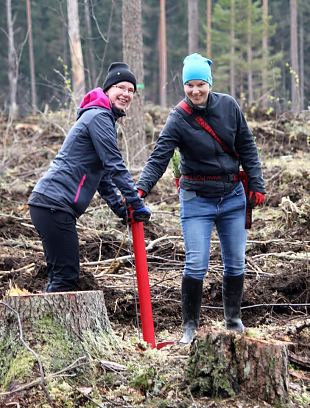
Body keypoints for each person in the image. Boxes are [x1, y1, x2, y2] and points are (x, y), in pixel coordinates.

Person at [137, 53, 266, 344]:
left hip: (233, 197)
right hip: (197, 200)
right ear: (184, 86)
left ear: (209, 83)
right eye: (189, 85)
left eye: (200, 84)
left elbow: (247, 146)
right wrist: (141, 189)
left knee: (236, 263)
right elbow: (160, 157)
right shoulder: (178, 118)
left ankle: (233, 321)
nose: (195, 91)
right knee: (196, 264)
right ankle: (189, 328)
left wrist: (256, 182)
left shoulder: (229, 106)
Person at [28, 62, 151, 293]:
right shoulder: (99, 117)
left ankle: (48, 327)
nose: (125, 94)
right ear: (107, 90)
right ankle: (52, 329)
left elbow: (103, 178)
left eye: (131, 90)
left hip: (51, 205)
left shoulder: (99, 117)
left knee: (62, 276)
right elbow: (114, 164)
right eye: (120, 87)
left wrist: (121, 209)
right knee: (65, 279)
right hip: (54, 204)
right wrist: (135, 202)